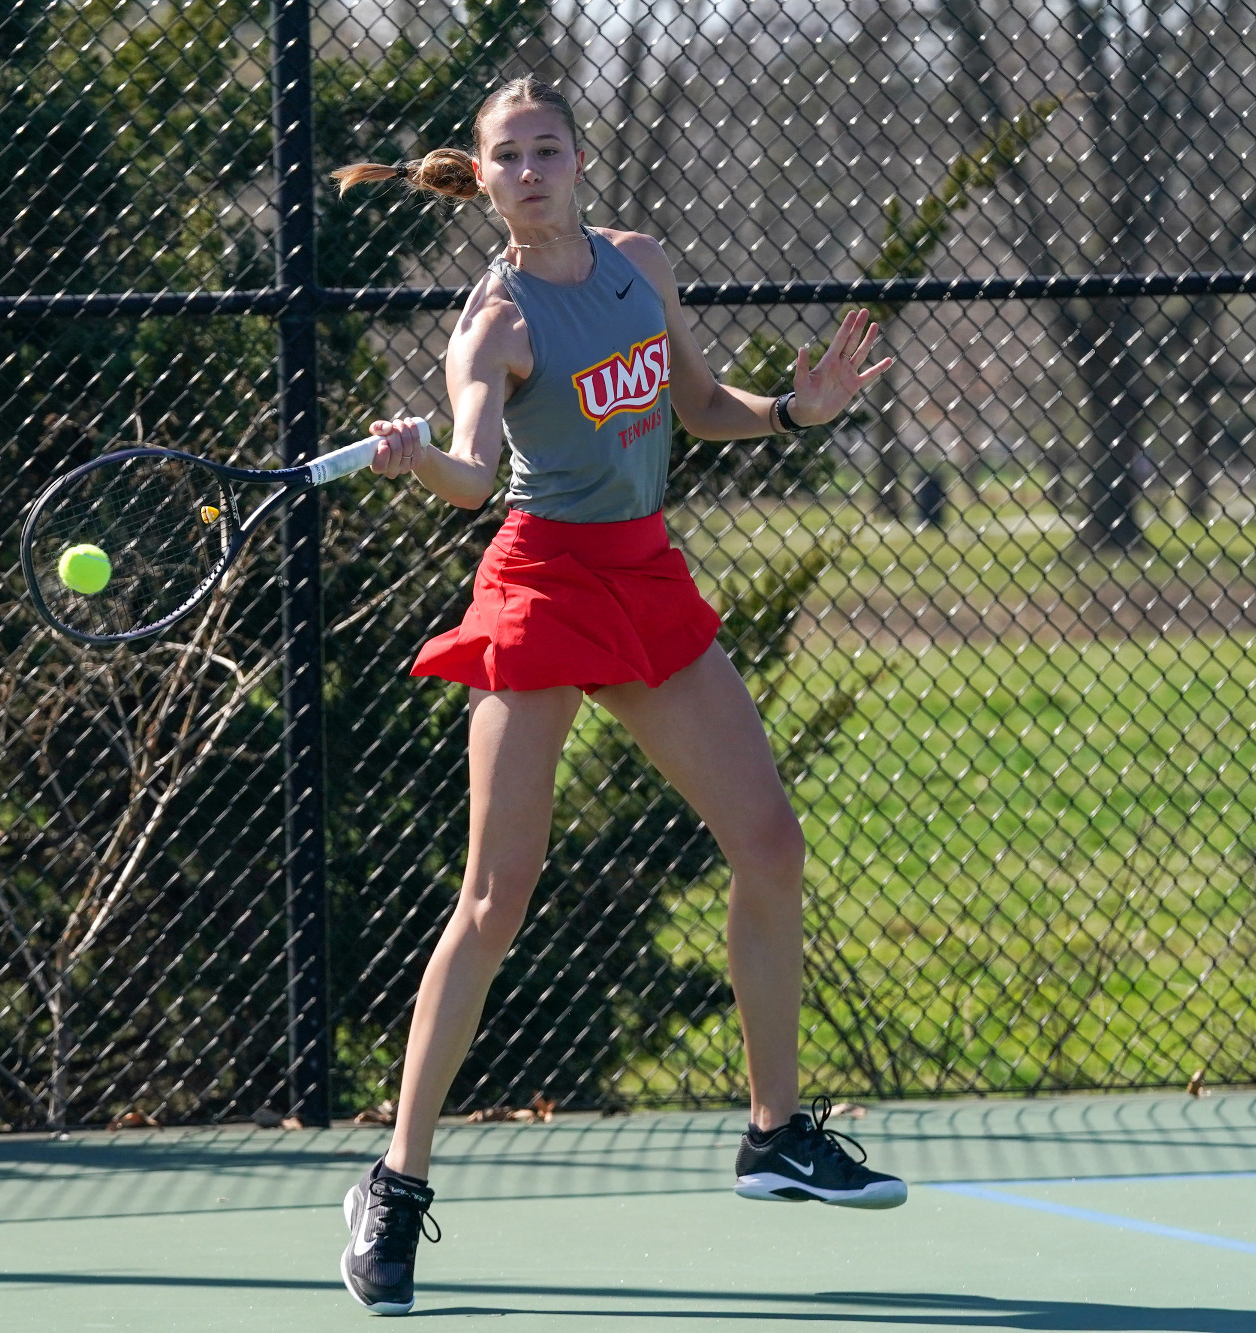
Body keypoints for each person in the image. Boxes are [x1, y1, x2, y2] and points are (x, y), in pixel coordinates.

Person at [332, 76, 903, 1317]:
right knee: (495, 897)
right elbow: (473, 476)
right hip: (540, 582)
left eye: (547, 147)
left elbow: (697, 409)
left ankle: (775, 1133)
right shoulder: (493, 323)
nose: (530, 169)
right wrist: (415, 451)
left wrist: (793, 411)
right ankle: (393, 1181)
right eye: (508, 156)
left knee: (769, 846)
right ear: (479, 181)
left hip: (641, 571)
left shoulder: (639, 266)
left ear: (579, 159)